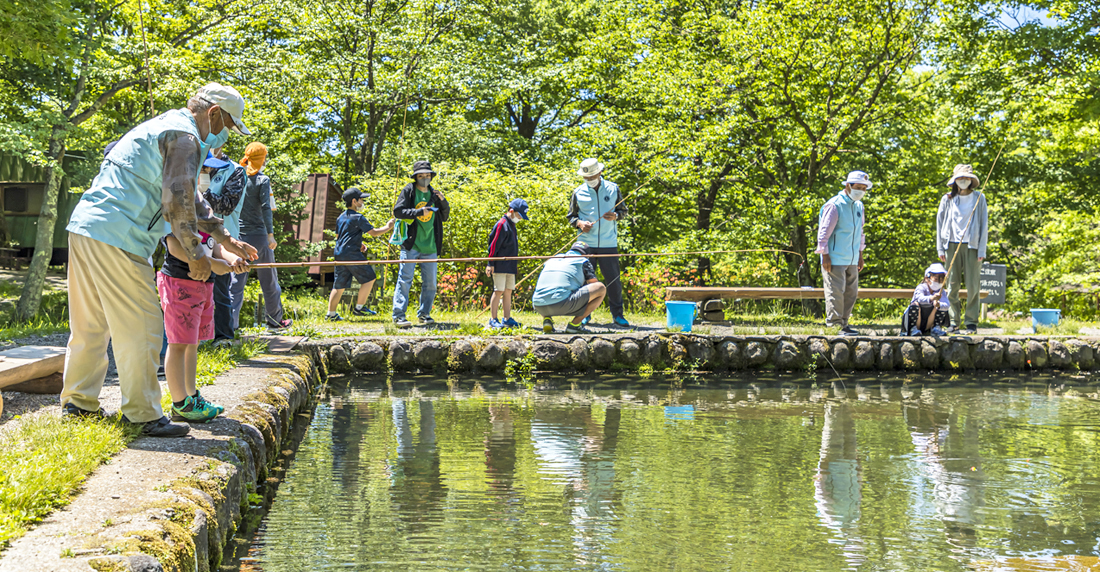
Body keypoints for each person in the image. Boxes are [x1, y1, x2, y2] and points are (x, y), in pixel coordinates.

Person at [62, 83, 257, 437]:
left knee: (90, 325)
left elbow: (194, 199)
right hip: (120, 234)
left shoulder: (163, 126)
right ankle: (142, 414)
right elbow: (178, 200)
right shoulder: (185, 138)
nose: (226, 135)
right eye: (227, 125)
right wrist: (197, 254)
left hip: (86, 226)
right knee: (144, 326)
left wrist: (225, 237)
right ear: (213, 113)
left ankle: (78, 404)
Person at [159, 229, 247, 421]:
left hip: (204, 286)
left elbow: (217, 247)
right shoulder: (179, 210)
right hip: (180, 284)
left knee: (193, 342)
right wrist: (213, 264)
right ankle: (180, 403)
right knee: (178, 344)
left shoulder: (206, 215)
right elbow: (175, 248)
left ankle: (191, 397)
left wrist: (234, 260)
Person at [236, 142, 292, 331]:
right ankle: (275, 322)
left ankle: (230, 325)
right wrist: (270, 235)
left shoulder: (237, 176)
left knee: (236, 282)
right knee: (269, 280)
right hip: (259, 236)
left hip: (238, 236)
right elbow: (267, 208)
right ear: (261, 159)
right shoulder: (262, 180)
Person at [566, 158, 629, 327]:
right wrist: (579, 224)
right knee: (585, 281)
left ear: (600, 172)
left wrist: (616, 216)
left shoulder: (613, 188)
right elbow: (571, 216)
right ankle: (584, 314)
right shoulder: (578, 192)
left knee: (613, 280)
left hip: (609, 243)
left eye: (592, 175)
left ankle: (618, 315)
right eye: (586, 177)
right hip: (585, 244)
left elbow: (624, 211)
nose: (590, 179)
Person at [391, 160, 450, 328]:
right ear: (416, 177)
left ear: (431, 176)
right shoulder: (409, 191)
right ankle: (399, 316)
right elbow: (398, 211)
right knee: (405, 280)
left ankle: (424, 314)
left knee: (430, 283)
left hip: (431, 246)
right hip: (411, 244)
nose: (425, 178)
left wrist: (443, 201)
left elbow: (445, 216)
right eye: (421, 176)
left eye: (427, 175)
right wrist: (418, 212)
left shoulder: (434, 194)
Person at [326, 188, 395, 321]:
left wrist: (360, 244)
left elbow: (339, 236)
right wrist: (389, 226)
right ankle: (359, 308)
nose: (363, 202)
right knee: (369, 278)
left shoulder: (340, 217)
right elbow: (374, 232)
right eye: (361, 199)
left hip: (339, 253)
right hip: (352, 254)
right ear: (354, 201)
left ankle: (331, 315)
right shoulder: (358, 217)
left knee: (338, 285)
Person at [201, 150, 247, 347]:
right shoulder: (193, 163)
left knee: (220, 291)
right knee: (197, 289)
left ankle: (223, 337)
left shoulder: (235, 170)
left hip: (225, 239)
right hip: (196, 238)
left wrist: (201, 194)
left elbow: (227, 206)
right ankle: (199, 338)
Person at [816, 170, 870, 336]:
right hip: (834, 257)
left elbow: (860, 232)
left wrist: (860, 254)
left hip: (852, 258)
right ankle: (834, 324)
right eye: (858, 187)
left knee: (851, 293)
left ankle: (844, 324)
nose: (861, 191)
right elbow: (824, 232)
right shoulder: (834, 205)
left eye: (864, 188)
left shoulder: (859, 206)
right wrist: (824, 254)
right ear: (848, 185)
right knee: (835, 292)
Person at [936, 164, 988, 335]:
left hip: (972, 245)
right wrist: (940, 248)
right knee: (952, 285)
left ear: (971, 180)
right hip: (951, 244)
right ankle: (953, 321)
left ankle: (971, 322)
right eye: (960, 178)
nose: (963, 181)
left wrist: (982, 250)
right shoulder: (947, 199)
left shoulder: (979, 198)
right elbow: (940, 223)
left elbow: (983, 225)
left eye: (966, 178)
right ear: (955, 180)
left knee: (973, 285)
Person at [532, 242, 606, 334]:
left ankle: (547, 319)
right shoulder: (583, 260)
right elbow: (594, 284)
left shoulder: (553, 259)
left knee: (548, 286)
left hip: (538, 305)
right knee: (601, 288)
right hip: (562, 304)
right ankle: (575, 325)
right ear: (587, 255)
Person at [486, 198, 530, 329]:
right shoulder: (502, 224)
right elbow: (493, 245)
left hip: (511, 265)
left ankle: (507, 318)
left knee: (508, 290)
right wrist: (490, 262)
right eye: (519, 216)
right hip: (500, 264)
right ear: (511, 211)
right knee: (498, 290)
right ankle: (493, 319)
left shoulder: (512, 225)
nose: (520, 219)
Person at [903, 263, 950, 336]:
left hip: (929, 320)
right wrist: (932, 298)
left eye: (941, 279)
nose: (938, 282)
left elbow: (947, 305)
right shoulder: (921, 287)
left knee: (941, 307)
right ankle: (913, 329)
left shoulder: (941, 291)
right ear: (927, 278)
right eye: (936, 279)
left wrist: (939, 305)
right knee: (914, 306)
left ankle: (935, 328)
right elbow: (919, 298)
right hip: (918, 318)